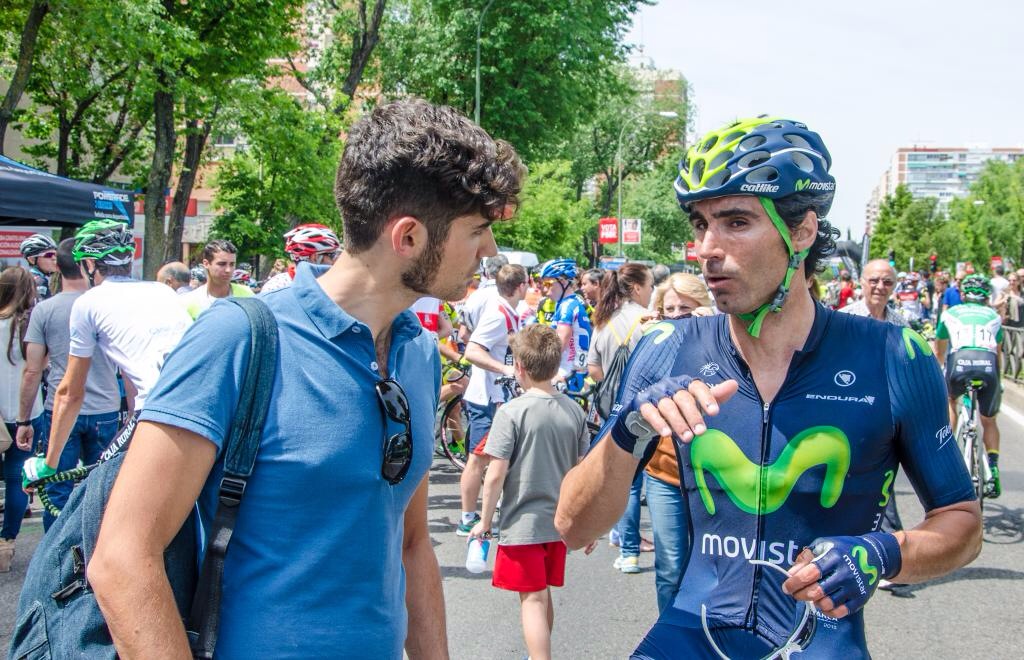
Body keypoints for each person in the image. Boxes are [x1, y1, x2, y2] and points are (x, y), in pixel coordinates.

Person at [87, 99, 525, 659]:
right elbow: (123, 557)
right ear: (408, 237)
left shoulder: (418, 350)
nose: (490, 251)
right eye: (479, 230)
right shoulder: (239, 339)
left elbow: (412, 543)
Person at [555, 115, 981, 658]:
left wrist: (883, 552)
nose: (706, 247)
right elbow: (572, 526)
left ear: (801, 231)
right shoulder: (664, 346)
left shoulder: (895, 355)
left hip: (822, 641)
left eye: (735, 222)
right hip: (694, 631)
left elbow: (962, 524)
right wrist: (628, 430)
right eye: (700, 223)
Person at [20, 220, 192, 491]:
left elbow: (70, 392)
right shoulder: (161, 291)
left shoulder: (88, 302)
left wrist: (48, 465)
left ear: (88, 264)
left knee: (99, 489)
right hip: (197, 402)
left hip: (158, 408)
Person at [468, 324, 589, 660]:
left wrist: (484, 520)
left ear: (518, 367)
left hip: (523, 523)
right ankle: (540, 653)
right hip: (559, 523)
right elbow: (582, 473)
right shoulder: (573, 410)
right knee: (542, 594)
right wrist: (587, 523)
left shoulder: (511, 412)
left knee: (532, 599)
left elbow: (494, 476)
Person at [17, 239, 120, 531]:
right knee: (103, 492)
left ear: (57, 268)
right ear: (89, 263)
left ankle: (57, 562)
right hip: (106, 409)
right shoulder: (108, 307)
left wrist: (24, 419)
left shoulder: (45, 310)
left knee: (55, 492)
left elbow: (32, 370)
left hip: (61, 410)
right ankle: (96, 556)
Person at [642, 272, 712, 612]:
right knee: (670, 567)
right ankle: (671, 640)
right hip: (664, 472)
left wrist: (714, 328)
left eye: (686, 307)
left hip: (712, 476)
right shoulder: (653, 343)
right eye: (669, 308)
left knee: (712, 566)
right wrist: (646, 339)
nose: (677, 315)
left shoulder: (720, 336)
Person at [587, 263, 654, 574]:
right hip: (649, 409)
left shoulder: (603, 321)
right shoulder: (647, 321)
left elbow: (594, 370)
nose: (652, 293)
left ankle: (624, 545)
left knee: (623, 480)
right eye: (651, 286)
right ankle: (641, 548)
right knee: (648, 480)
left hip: (612, 411)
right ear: (638, 288)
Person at [457, 263, 528, 535]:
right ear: (521, 286)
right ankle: (467, 519)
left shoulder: (508, 311)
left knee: (496, 459)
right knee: (478, 460)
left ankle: (490, 510)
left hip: (497, 397)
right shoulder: (499, 314)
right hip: (486, 398)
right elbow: (472, 351)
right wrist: (506, 370)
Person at [935, 275, 1004, 498]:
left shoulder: (950, 313)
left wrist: (938, 375)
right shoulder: (994, 315)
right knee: (989, 420)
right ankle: (992, 468)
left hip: (960, 362)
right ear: (986, 297)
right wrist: (998, 381)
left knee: (950, 401)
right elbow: (999, 354)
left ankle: (948, 450)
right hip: (988, 365)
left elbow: (939, 351)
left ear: (963, 295)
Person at [0, 267, 43, 571]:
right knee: (18, 479)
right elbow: (40, 367)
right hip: (25, 411)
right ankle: (6, 544)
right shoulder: (29, 325)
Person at [540, 258, 591, 391]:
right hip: (574, 372)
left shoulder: (567, 307)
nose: (544, 289)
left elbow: (559, 345)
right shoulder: (569, 303)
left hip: (568, 376)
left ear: (562, 281)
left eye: (548, 283)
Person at [181, 239, 253, 319]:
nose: (228, 270)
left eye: (232, 264)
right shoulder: (189, 302)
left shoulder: (247, 295)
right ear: (206, 263)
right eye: (222, 264)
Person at [261, 223, 342, 293]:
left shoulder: (328, 286)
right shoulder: (278, 287)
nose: (335, 261)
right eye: (332, 255)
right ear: (316, 258)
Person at [459, 253, 508, 342]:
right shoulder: (514, 295)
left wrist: (478, 348)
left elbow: (463, 334)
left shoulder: (474, 297)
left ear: (487, 272)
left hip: (476, 353)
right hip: (508, 353)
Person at [840, 259, 906, 326]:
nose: (880, 287)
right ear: (861, 282)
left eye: (887, 282)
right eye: (874, 281)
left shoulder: (901, 325)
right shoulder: (842, 319)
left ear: (894, 286)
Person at [19, 234, 58, 301]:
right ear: (32, 260)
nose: (54, 258)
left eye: (55, 254)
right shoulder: (40, 281)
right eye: (49, 255)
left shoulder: (27, 277)